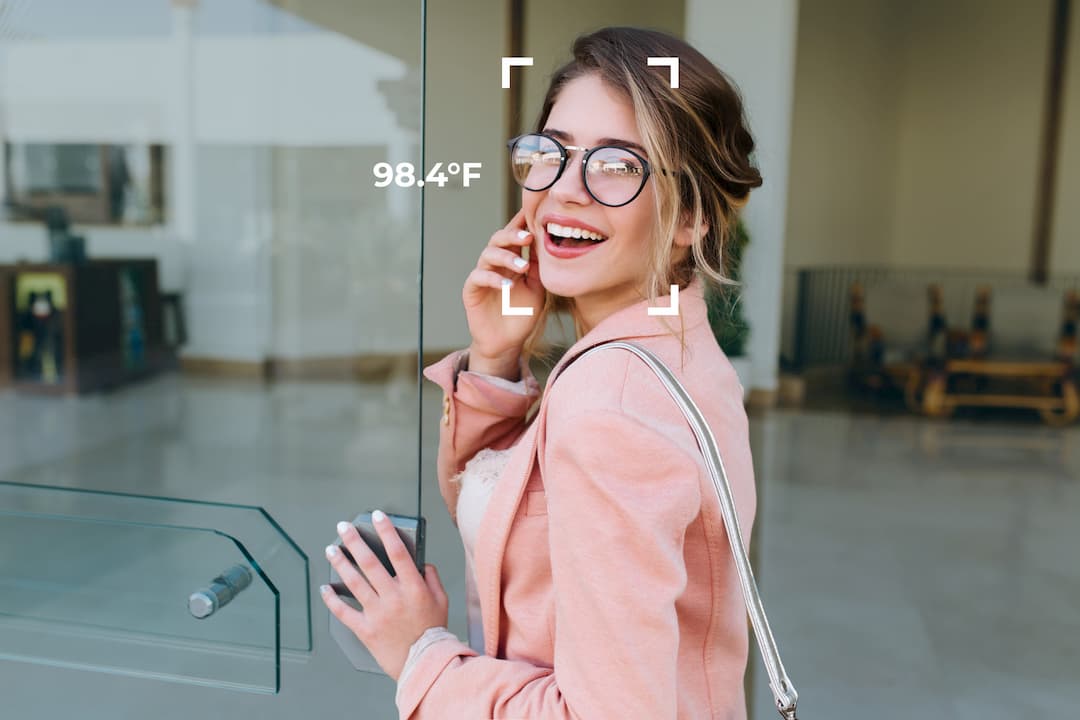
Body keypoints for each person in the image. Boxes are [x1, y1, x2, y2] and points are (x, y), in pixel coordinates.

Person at [321, 25, 763, 719]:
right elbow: (527, 512)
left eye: (617, 164)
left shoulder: (609, 400)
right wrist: (497, 355)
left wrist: (420, 655)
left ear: (693, 217)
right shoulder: (677, 351)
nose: (563, 190)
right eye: (549, 154)